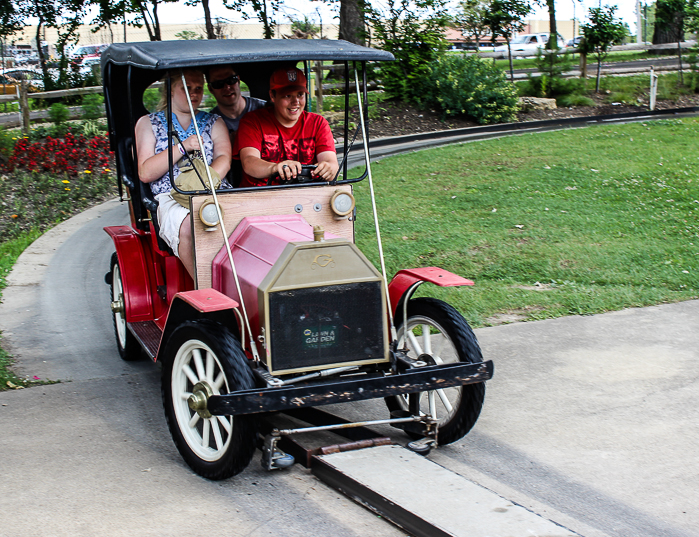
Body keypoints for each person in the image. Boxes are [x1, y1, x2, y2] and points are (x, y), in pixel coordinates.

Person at [135, 69, 231, 277]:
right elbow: (145, 172)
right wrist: (183, 147)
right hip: (172, 195)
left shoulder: (214, 122)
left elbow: (224, 157)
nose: (194, 94)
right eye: (186, 88)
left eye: (198, 89)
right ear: (170, 90)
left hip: (212, 189)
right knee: (190, 224)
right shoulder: (148, 123)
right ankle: (206, 285)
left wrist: (205, 183)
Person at [236, 67, 339, 187]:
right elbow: (249, 162)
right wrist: (276, 167)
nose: (296, 102)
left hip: (307, 195)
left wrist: (328, 168)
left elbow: (331, 162)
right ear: (272, 96)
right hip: (261, 195)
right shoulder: (252, 121)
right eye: (287, 96)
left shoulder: (318, 123)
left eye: (300, 95)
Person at [207, 64, 266, 147]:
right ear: (210, 89)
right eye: (218, 83)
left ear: (238, 80)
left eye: (231, 80)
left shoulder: (265, 109)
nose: (227, 87)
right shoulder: (208, 124)